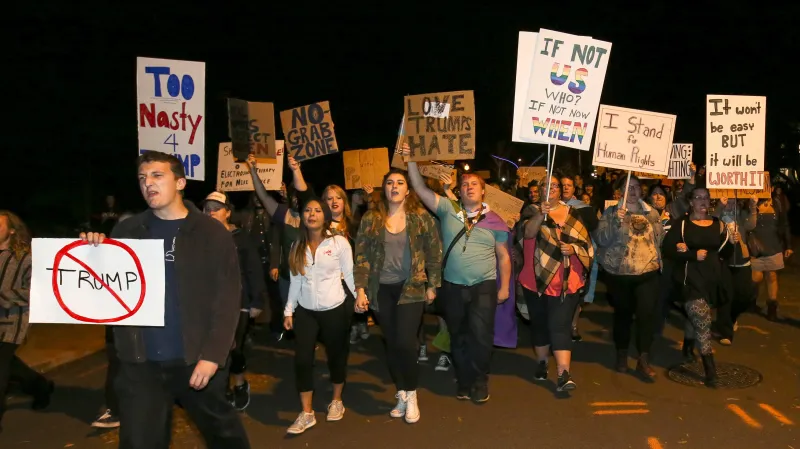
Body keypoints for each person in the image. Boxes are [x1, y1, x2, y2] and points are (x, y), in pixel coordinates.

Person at [80, 151, 249, 449]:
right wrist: (93, 251)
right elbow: (108, 289)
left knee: (224, 436)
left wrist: (213, 356)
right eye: (143, 178)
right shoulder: (127, 231)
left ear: (180, 182)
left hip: (196, 359)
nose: (148, 184)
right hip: (141, 362)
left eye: (158, 176)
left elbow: (227, 297)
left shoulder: (211, 232)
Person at [403, 143, 512, 404]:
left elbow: (504, 256)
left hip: (483, 286)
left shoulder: (495, 220)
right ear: (459, 191)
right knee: (458, 335)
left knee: (481, 336)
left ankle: (479, 380)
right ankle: (464, 380)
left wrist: (504, 286)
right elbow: (419, 188)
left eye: (474, 184)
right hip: (452, 286)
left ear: (483, 191)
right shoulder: (449, 209)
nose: (469, 187)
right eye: (464, 184)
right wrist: (410, 161)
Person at [354, 169, 442, 423]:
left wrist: (432, 284)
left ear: (408, 189)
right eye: (390, 182)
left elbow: (434, 252)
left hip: (411, 288)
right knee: (391, 344)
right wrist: (360, 290)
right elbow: (361, 257)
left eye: (400, 182)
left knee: (405, 342)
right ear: (384, 188)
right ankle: (401, 392)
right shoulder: (371, 218)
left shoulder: (420, 217)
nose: (394, 186)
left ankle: (412, 393)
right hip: (380, 290)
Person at [284, 198, 355, 435]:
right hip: (306, 311)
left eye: (317, 210)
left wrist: (361, 297)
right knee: (302, 360)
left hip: (334, 308)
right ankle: (307, 413)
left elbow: (350, 274)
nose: (311, 214)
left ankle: (336, 399)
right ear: (303, 216)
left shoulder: (339, 243)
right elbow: (295, 280)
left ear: (325, 216)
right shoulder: (297, 246)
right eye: (307, 210)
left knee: (336, 356)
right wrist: (288, 309)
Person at [518, 175, 594, 391]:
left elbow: (585, 243)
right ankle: (542, 362)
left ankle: (563, 373)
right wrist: (541, 214)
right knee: (540, 324)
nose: (550, 188)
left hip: (567, 281)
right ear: (539, 189)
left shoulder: (573, 214)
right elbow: (527, 233)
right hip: (535, 280)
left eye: (555, 186)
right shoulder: (531, 211)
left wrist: (574, 249)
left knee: (559, 325)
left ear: (561, 191)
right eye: (545, 185)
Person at [662, 188, 735, 387]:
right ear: (691, 202)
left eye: (706, 198)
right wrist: (690, 255)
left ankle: (687, 345)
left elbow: (726, 252)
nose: (703, 201)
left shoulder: (718, 224)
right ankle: (710, 370)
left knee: (697, 315)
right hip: (690, 280)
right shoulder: (683, 224)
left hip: (712, 279)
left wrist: (732, 241)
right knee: (703, 320)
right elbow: (667, 249)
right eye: (698, 198)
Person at [594, 175, 664, 381]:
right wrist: (616, 221)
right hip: (620, 273)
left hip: (648, 272)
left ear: (641, 191)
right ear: (619, 192)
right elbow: (601, 240)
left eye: (635, 187)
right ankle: (622, 354)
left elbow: (659, 239)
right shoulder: (611, 212)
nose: (632, 191)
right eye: (627, 188)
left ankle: (643, 359)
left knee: (646, 315)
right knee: (623, 316)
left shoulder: (651, 213)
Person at [202, 191, 267, 411]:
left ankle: (239, 383)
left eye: (216, 208)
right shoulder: (198, 239)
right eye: (207, 208)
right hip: (209, 304)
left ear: (228, 212)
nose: (210, 212)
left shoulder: (241, 239)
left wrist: (256, 301)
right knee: (212, 348)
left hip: (238, 302)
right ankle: (221, 389)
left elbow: (253, 270)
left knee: (233, 347)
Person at [0, 211, 54, 433]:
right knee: (9, 365)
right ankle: (40, 386)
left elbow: (36, 292)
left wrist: (3, 296)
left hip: (12, 321)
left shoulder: (26, 257)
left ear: (12, 230)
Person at [713, 195, 758, 345]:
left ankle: (732, 318)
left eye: (733, 201)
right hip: (724, 262)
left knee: (745, 296)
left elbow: (751, 225)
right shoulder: (718, 216)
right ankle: (726, 333)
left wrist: (753, 207)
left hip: (742, 262)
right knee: (726, 296)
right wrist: (720, 206)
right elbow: (712, 221)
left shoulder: (742, 215)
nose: (730, 204)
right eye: (728, 201)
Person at [750, 196, 793, 320]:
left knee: (772, 276)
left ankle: (772, 307)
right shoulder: (750, 202)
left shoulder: (777, 203)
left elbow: (784, 225)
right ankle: (752, 300)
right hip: (756, 247)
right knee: (756, 277)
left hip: (774, 246)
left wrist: (788, 245)